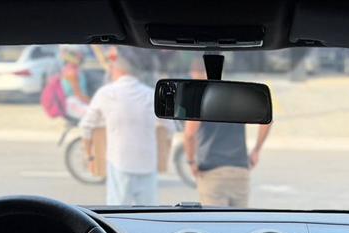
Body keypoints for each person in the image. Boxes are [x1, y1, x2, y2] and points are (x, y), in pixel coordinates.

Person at [80, 46, 173, 205]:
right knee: (148, 212)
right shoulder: (151, 95)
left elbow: (86, 127)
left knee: (117, 211)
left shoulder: (106, 94)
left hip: (119, 163)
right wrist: (165, 153)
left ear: (114, 70)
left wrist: (90, 156)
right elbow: (169, 128)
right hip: (147, 163)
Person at [183, 59, 272, 207]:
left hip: (212, 173)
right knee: (239, 221)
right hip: (240, 172)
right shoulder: (237, 95)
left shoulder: (198, 99)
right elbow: (267, 121)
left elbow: (189, 135)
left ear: (195, 73)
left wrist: (191, 161)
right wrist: (257, 150)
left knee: (216, 221)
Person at [40, 47, 88, 121]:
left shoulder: (66, 70)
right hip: (74, 104)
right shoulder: (72, 72)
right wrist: (92, 101)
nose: (82, 58)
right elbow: (79, 95)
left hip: (71, 104)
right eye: (79, 56)